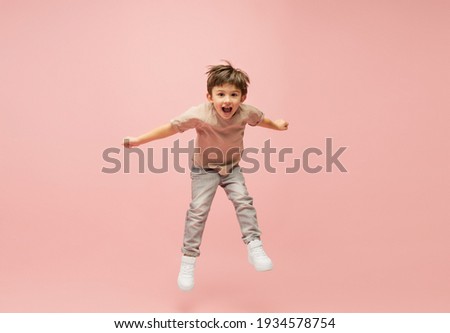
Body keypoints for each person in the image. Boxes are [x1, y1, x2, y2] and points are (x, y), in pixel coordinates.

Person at [123, 61, 288, 291]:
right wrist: (140, 140)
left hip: (231, 168)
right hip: (204, 169)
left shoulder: (246, 112)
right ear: (210, 97)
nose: (227, 100)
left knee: (243, 201)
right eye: (221, 94)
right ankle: (188, 261)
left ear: (242, 97)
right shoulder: (199, 114)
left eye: (233, 94)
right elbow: (170, 128)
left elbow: (262, 120)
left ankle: (254, 245)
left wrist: (277, 126)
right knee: (198, 211)